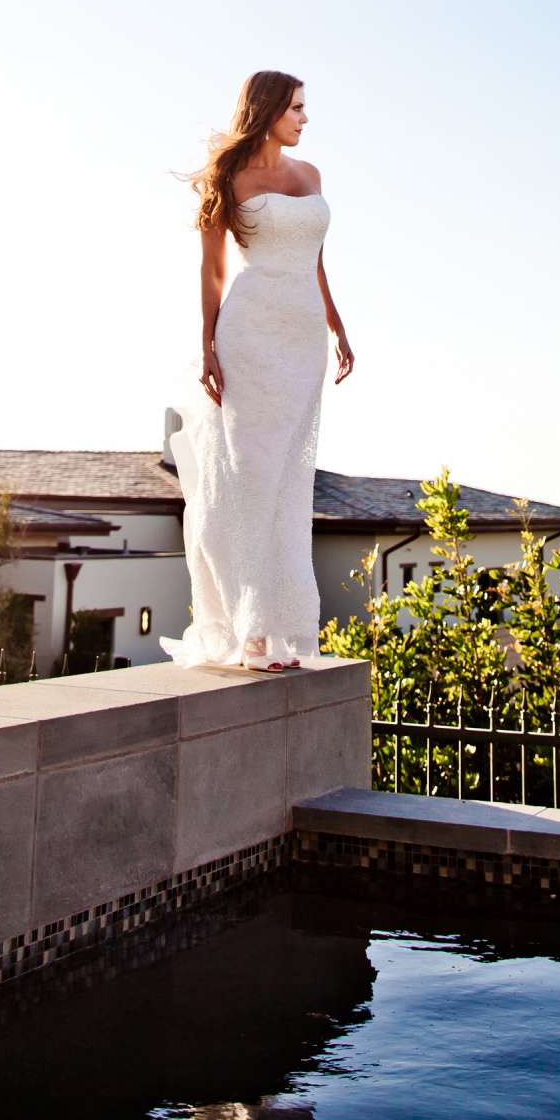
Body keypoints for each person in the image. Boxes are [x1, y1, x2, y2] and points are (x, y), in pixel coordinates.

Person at [159, 70, 355, 672]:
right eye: (295, 108)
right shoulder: (229, 178)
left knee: (291, 482)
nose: (303, 118)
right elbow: (212, 271)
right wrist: (208, 344)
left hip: (302, 339)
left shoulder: (310, 177)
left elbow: (315, 262)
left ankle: (279, 630)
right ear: (267, 109)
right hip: (247, 332)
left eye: (304, 108)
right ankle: (248, 628)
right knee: (250, 478)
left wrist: (337, 323)